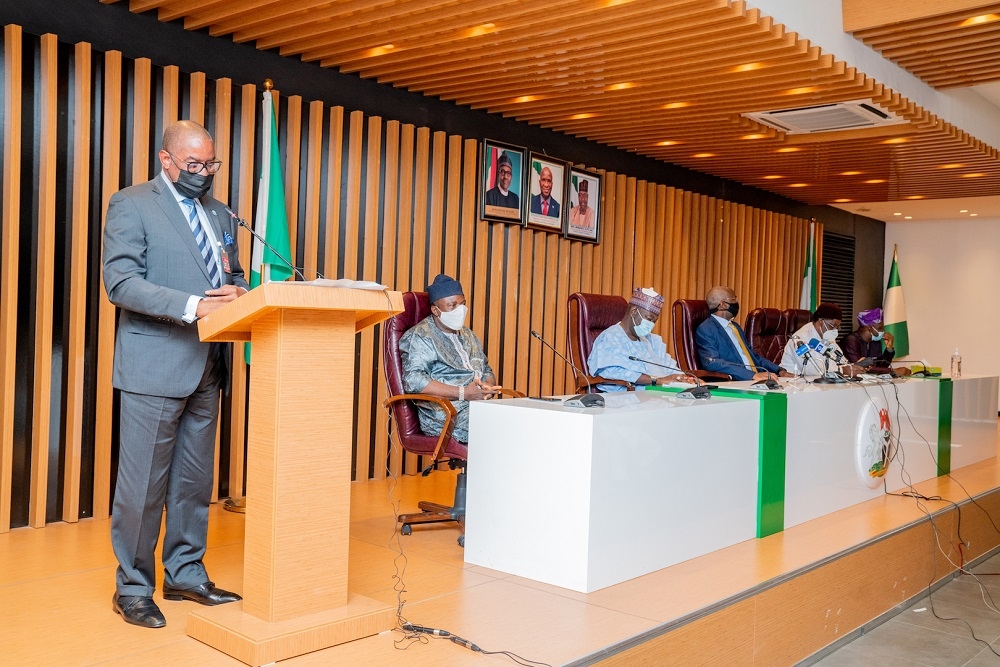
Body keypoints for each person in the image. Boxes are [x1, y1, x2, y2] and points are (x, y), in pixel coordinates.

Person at [103, 120, 248, 629]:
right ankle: (134, 587)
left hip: (209, 365)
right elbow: (121, 282)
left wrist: (240, 293)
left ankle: (185, 573)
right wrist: (193, 306)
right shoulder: (132, 203)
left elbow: (230, 273)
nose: (204, 174)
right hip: (155, 364)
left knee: (192, 481)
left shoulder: (219, 212)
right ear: (165, 159)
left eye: (211, 164)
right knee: (142, 486)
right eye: (194, 165)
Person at [399, 274, 501, 442]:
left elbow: (486, 368)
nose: (460, 310)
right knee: (503, 428)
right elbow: (413, 380)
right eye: (452, 305)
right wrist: (463, 393)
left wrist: (487, 387)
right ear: (435, 310)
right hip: (446, 415)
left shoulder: (468, 334)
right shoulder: (421, 336)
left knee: (522, 420)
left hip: (479, 407)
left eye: (462, 304)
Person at [588, 287, 697, 391]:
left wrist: (685, 379)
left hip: (664, 394)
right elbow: (611, 372)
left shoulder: (652, 340)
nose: (651, 325)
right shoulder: (610, 338)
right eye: (649, 319)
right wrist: (658, 380)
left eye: (654, 321)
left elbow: (669, 366)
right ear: (633, 311)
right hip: (632, 398)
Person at [695, 286, 787, 381]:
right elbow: (712, 362)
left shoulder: (735, 327)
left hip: (757, 379)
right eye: (734, 299)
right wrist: (751, 375)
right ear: (723, 304)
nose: (736, 303)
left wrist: (779, 370)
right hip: (737, 381)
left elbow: (753, 357)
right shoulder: (706, 329)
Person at [780, 302, 861, 378]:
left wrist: (854, 366)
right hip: (794, 382)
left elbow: (840, 360)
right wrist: (842, 370)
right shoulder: (800, 338)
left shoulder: (827, 337)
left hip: (820, 384)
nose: (835, 330)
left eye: (838, 327)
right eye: (833, 326)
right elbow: (812, 371)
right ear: (821, 321)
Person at [841, 307, 908, 375]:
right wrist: (892, 372)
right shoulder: (851, 341)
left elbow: (881, 365)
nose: (883, 331)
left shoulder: (875, 342)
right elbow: (859, 367)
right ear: (870, 328)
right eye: (880, 328)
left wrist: (889, 349)